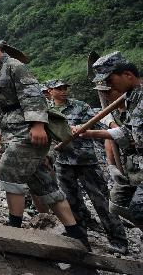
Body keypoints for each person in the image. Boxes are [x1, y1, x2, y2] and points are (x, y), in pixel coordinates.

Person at [0, 31, 89, 248]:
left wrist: (38, 125)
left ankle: (14, 227)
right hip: (12, 129)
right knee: (42, 181)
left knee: (8, 168)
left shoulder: (14, 66)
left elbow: (32, 95)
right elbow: (2, 98)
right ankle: (76, 232)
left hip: (26, 130)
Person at [48, 79, 128, 254]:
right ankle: (80, 237)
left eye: (65, 88)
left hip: (86, 161)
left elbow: (97, 123)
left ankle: (118, 240)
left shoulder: (80, 106)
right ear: (50, 91)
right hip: (63, 161)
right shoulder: (47, 111)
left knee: (101, 201)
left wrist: (82, 129)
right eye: (58, 89)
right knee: (71, 201)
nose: (63, 91)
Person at [77, 51, 143, 224]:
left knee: (138, 209)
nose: (108, 87)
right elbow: (129, 133)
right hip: (135, 164)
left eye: (109, 81)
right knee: (124, 206)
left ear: (127, 75)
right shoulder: (131, 98)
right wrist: (91, 133)